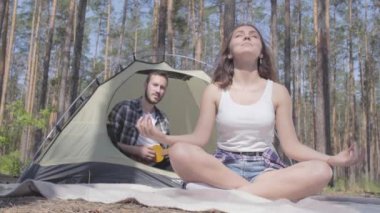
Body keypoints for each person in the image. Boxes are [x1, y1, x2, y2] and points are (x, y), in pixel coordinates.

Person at [136, 24, 363, 201]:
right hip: (223, 166)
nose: (247, 36)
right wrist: (163, 139)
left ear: (261, 52)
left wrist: (332, 159)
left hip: (267, 169)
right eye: (239, 35)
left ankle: (233, 194)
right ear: (229, 54)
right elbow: (199, 139)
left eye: (253, 35)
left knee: (321, 171)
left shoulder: (278, 91)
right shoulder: (214, 90)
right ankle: (256, 194)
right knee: (179, 153)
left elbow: (291, 147)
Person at [107, 71, 171, 170]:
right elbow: (107, 142)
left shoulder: (163, 119)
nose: (158, 90)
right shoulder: (124, 108)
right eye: (155, 85)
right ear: (146, 85)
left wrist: (160, 155)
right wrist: (136, 151)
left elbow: (165, 151)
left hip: (156, 172)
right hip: (125, 167)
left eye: (162, 87)